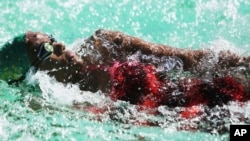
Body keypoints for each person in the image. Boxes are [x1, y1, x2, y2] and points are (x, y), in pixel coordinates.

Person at [1, 29, 250, 110]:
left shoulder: (105, 45)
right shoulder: (56, 106)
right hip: (198, 124)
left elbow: (190, 59)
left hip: (221, 93)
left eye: (53, 39)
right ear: (33, 74)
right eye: (46, 48)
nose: (60, 45)